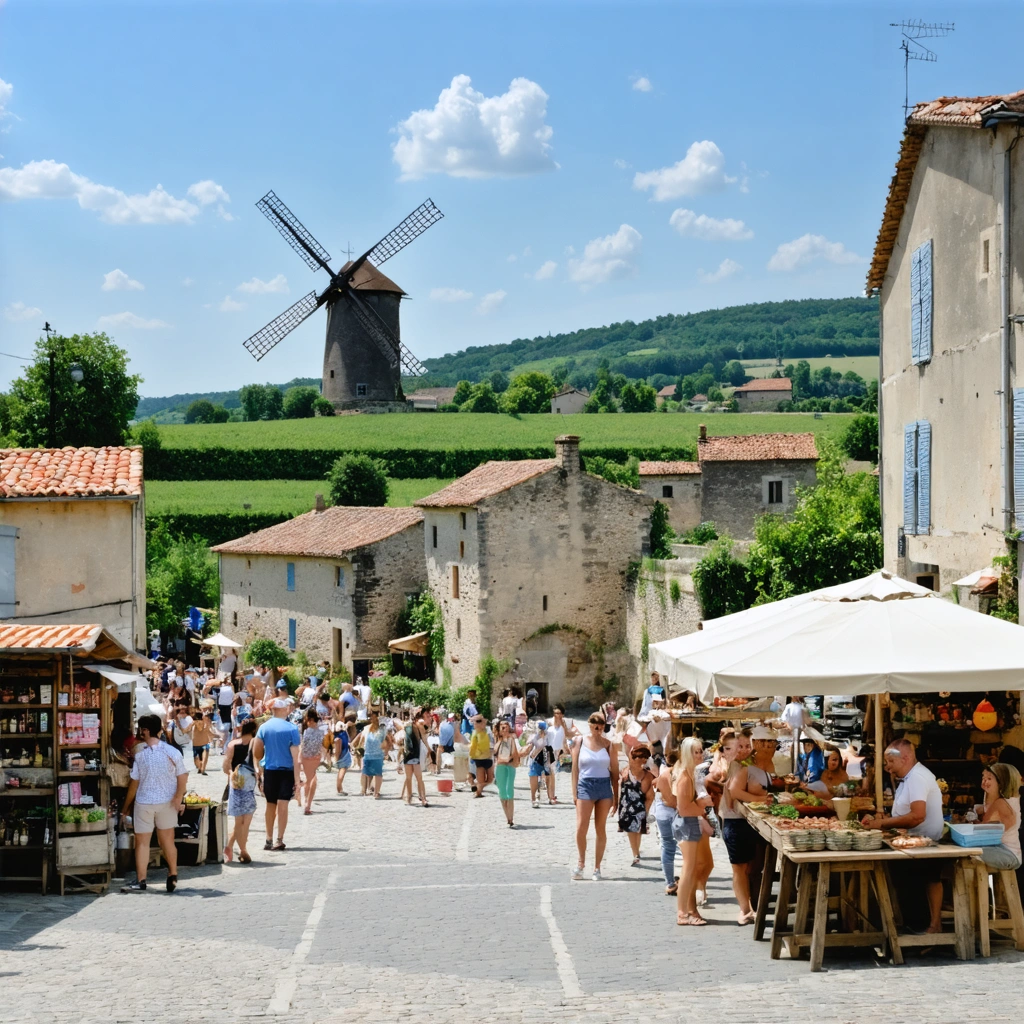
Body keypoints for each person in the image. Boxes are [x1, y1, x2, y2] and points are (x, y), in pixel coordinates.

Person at [862, 738, 945, 932]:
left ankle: (920, 929)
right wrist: (883, 820)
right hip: (913, 843)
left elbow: (917, 816)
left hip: (925, 846)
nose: (888, 767)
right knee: (899, 879)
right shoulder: (908, 778)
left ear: (905, 758)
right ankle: (912, 926)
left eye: (891, 761)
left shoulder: (917, 778)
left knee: (908, 882)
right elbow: (904, 815)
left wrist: (882, 823)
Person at [120, 714, 189, 893]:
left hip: (144, 803)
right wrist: (178, 797)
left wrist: (125, 808)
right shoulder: (172, 752)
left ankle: (141, 880)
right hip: (167, 802)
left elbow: (134, 784)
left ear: (145, 731)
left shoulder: (140, 756)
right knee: (167, 841)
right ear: (159, 731)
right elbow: (183, 775)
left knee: (142, 843)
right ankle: (172, 874)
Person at [571, 712, 619, 881]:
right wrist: (574, 792)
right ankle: (581, 862)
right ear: (590, 724)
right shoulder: (580, 741)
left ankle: (597, 867)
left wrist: (616, 796)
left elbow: (615, 772)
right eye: (595, 724)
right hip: (585, 785)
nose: (599, 727)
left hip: (604, 786)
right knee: (581, 827)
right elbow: (575, 768)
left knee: (600, 827)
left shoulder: (609, 745)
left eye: (602, 724)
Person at [253, 699, 302, 851]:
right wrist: (297, 781)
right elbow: (296, 758)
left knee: (270, 805)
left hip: (270, 770)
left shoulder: (264, 727)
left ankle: (268, 838)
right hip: (286, 772)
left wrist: (258, 770)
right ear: (284, 709)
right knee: (283, 805)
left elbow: (256, 752)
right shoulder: (292, 728)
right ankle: (279, 839)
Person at [721, 730, 758, 924]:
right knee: (739, 868)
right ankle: (744, 910)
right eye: (740, 747)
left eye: (747, 746)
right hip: (734, 820)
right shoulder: (735, 766)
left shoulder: (746, 765)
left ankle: (748, 906)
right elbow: (732, 796)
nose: (744, 750)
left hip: (745, 820)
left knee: (746, 867)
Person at [674, 737, 711, 925]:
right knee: (688, 870)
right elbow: (683, 808)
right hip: (686, 823)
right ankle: (682, 913)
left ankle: (687, 910)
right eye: (696, 752)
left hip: (690, 822)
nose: (700, 755)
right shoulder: (684, 777)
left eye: (700, 751)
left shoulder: (690, 774)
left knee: (691, 868)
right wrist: (702, 806)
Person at [223, 718, 258, 863]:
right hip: (249, 786)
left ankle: (230, 846)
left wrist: (232, 774)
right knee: (246, 822)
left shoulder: (232, 744)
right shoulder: (257, 743)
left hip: (235, 785)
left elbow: (225, 767)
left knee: (239, 822)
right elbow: (259, 765)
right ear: (254, 729)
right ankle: (243, 850)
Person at [979, 763, 1022, 870]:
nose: (984, 781)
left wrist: (972, 822)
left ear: (1001, 782)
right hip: (998, 848)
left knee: (968, 854)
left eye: (989, 778)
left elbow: (983, 830)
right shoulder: (991, 798)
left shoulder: (1001, 803)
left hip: (1008, 853)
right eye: (983, 777)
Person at [619, 742, 655, 866]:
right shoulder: (625, 771)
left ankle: (636, 853)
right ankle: (635, 853)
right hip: (626, 806)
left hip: (640, 807)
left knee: (638, 831)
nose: (643, 760)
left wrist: (646, 811)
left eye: (645, 758)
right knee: (631, 831)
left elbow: (650, 796)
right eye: (640, 757)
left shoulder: (647, 776)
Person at [653, 750, 680, 895]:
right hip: (677, 812)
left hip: (662, 813)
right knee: (685, 848)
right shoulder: (682, 773)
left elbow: (657, 788)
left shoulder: (664, 774)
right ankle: (687, 882)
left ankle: (670, 883)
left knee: (667, 846)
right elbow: (673, 801)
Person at [493, 719, 521, 827]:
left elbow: (514, 753)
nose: (504, 727)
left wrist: (508, 738)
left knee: (510, 791)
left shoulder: (512, 739)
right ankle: (507, 816)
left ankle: (511, 818)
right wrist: (501, 738)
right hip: (500, 766)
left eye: (506, 725)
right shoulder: (497, 739)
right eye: (502, 725)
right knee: (502, 792)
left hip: (509, 766)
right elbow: (495, 751)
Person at [401, 708, 430, 807]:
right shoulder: (407, 725)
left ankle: (422, 798)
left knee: (417, 777)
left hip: (414, 753)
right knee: (410, 777)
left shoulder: (418, 724)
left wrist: (429, 749)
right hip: (408, 753)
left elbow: (424, 737)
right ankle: (410, 797)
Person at [299, 707, 325, 815]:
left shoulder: (306, 731)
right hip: (315, 757)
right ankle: (307, 803)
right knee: (312, 779)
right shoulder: (321, 731)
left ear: (309, 719)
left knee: (309, 779)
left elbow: (302, 746)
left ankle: (306, 801)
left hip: (306, 757)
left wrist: (299, 758)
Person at [360, 710, 391, 798]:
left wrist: (386, 752)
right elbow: (362, 738)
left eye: (374, 717)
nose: (373, 719)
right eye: (372, 717)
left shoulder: (382, 729)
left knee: (375, 773)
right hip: (369, 754)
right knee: (367, 773)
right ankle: (366, 790)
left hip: (375, 754)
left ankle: (374, 792)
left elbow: (388, 741)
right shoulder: (368, 728)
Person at [524, 720, 556, 807]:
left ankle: (550, 797)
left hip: (546, 757)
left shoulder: (549, 735)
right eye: (540, 729)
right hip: (535, 759)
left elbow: (550, 746)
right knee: (534, 776)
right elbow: (528, 745)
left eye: (542, 729)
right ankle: (533, 799)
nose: (541, 731)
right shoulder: (533, 736)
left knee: (548, 778)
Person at [469, 714, 493, 798]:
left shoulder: (487, 731)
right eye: (477, 722)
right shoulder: (475, 733)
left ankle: (477, 789)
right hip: (479, 758)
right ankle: (478, 792)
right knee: (481, 779)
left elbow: (492, 742)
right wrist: (471, 757)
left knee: (490, 779)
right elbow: (472, 746)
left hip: (488, 757)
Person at [334, 716, 355, 795]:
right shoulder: (342, 735)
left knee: (341, 771)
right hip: (344, 754)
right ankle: (339, 789)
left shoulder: (338, 736)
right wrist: (336, 758)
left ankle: (339, 788)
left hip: (342, 753)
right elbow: (338, 750)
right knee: (342, 771)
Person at [191, 707, 214, 775]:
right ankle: (202, 768)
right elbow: (208, 732)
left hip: (196, 743)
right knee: (204, 757)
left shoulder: (193, 723)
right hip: (203, 743)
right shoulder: (204, 723)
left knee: (197, 757)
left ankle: (200, 768)